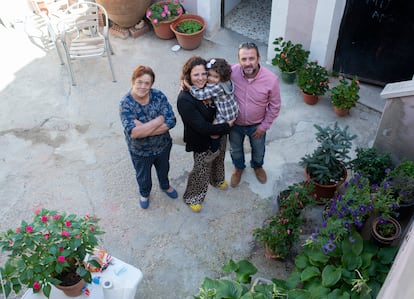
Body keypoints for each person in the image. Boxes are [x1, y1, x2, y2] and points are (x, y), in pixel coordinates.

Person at [177, 56, 234, 213]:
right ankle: (192, 197)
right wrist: (226, 126)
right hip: (201, 140)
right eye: (196, 75)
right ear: (188, 76)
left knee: (219, 158)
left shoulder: (211, 86)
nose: (202, 78)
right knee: (201, 169)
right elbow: (201, 127)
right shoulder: (184, 99)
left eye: (204, 74)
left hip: (219, 132)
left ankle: (217, 180)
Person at [119, 65, 178, 209]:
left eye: (147, 83)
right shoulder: (126, 104)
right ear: (133, 81)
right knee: (143, 176)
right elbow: (134, 133)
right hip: (140, 151)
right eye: (139, 82)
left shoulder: (158, 96)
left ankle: (165, 185)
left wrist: (144, 128)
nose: (143, 86)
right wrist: (158, 121)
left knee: (164, 169)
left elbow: (171, 121)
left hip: (163, 146)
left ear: (151, 84)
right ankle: (144, 193)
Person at [229, 42, 281, 187]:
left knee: (259, 150)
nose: (248, 63)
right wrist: (186, 83)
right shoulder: (231, 72)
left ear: (259, 58)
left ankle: (257, 166)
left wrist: (264, 126)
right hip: (235, 124)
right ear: (238, 60)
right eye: (243, 59)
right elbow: (209, 75)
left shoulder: (271, 79)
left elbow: (275, 106)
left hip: (257, 125)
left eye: (251, 58)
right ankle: (238, 168)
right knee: (235, 150)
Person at [186, 58, 238, 163]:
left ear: (221, 77)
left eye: (215, 77)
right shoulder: (225, 82)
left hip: (226, 113)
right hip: (231, 108)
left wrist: (188, 85)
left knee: (214, 132)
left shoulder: (217, 87)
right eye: (209, 75)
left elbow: (200, 95)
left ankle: (214, 151)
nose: (211, 79)